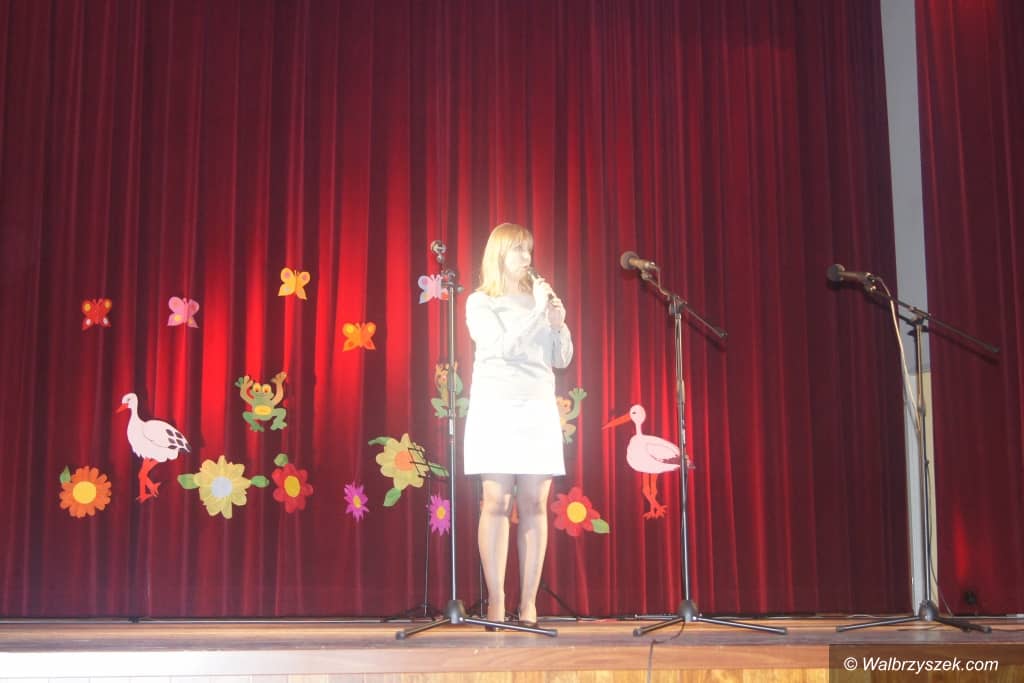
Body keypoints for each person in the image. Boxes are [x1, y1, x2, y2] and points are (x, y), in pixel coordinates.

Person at [463, 222, 573, 629]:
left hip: (537, 408)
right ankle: (497, 600)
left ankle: (528, 605)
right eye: (518, 250)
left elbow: (561, 359)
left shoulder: (541, 299)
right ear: (499, 255)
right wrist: (536, 314)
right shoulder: (480, 302)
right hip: (495, 407)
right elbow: (503, 347)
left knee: (533, 504)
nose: (526, 258)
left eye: (529, 249)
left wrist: (557, 323)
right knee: (495, 502)